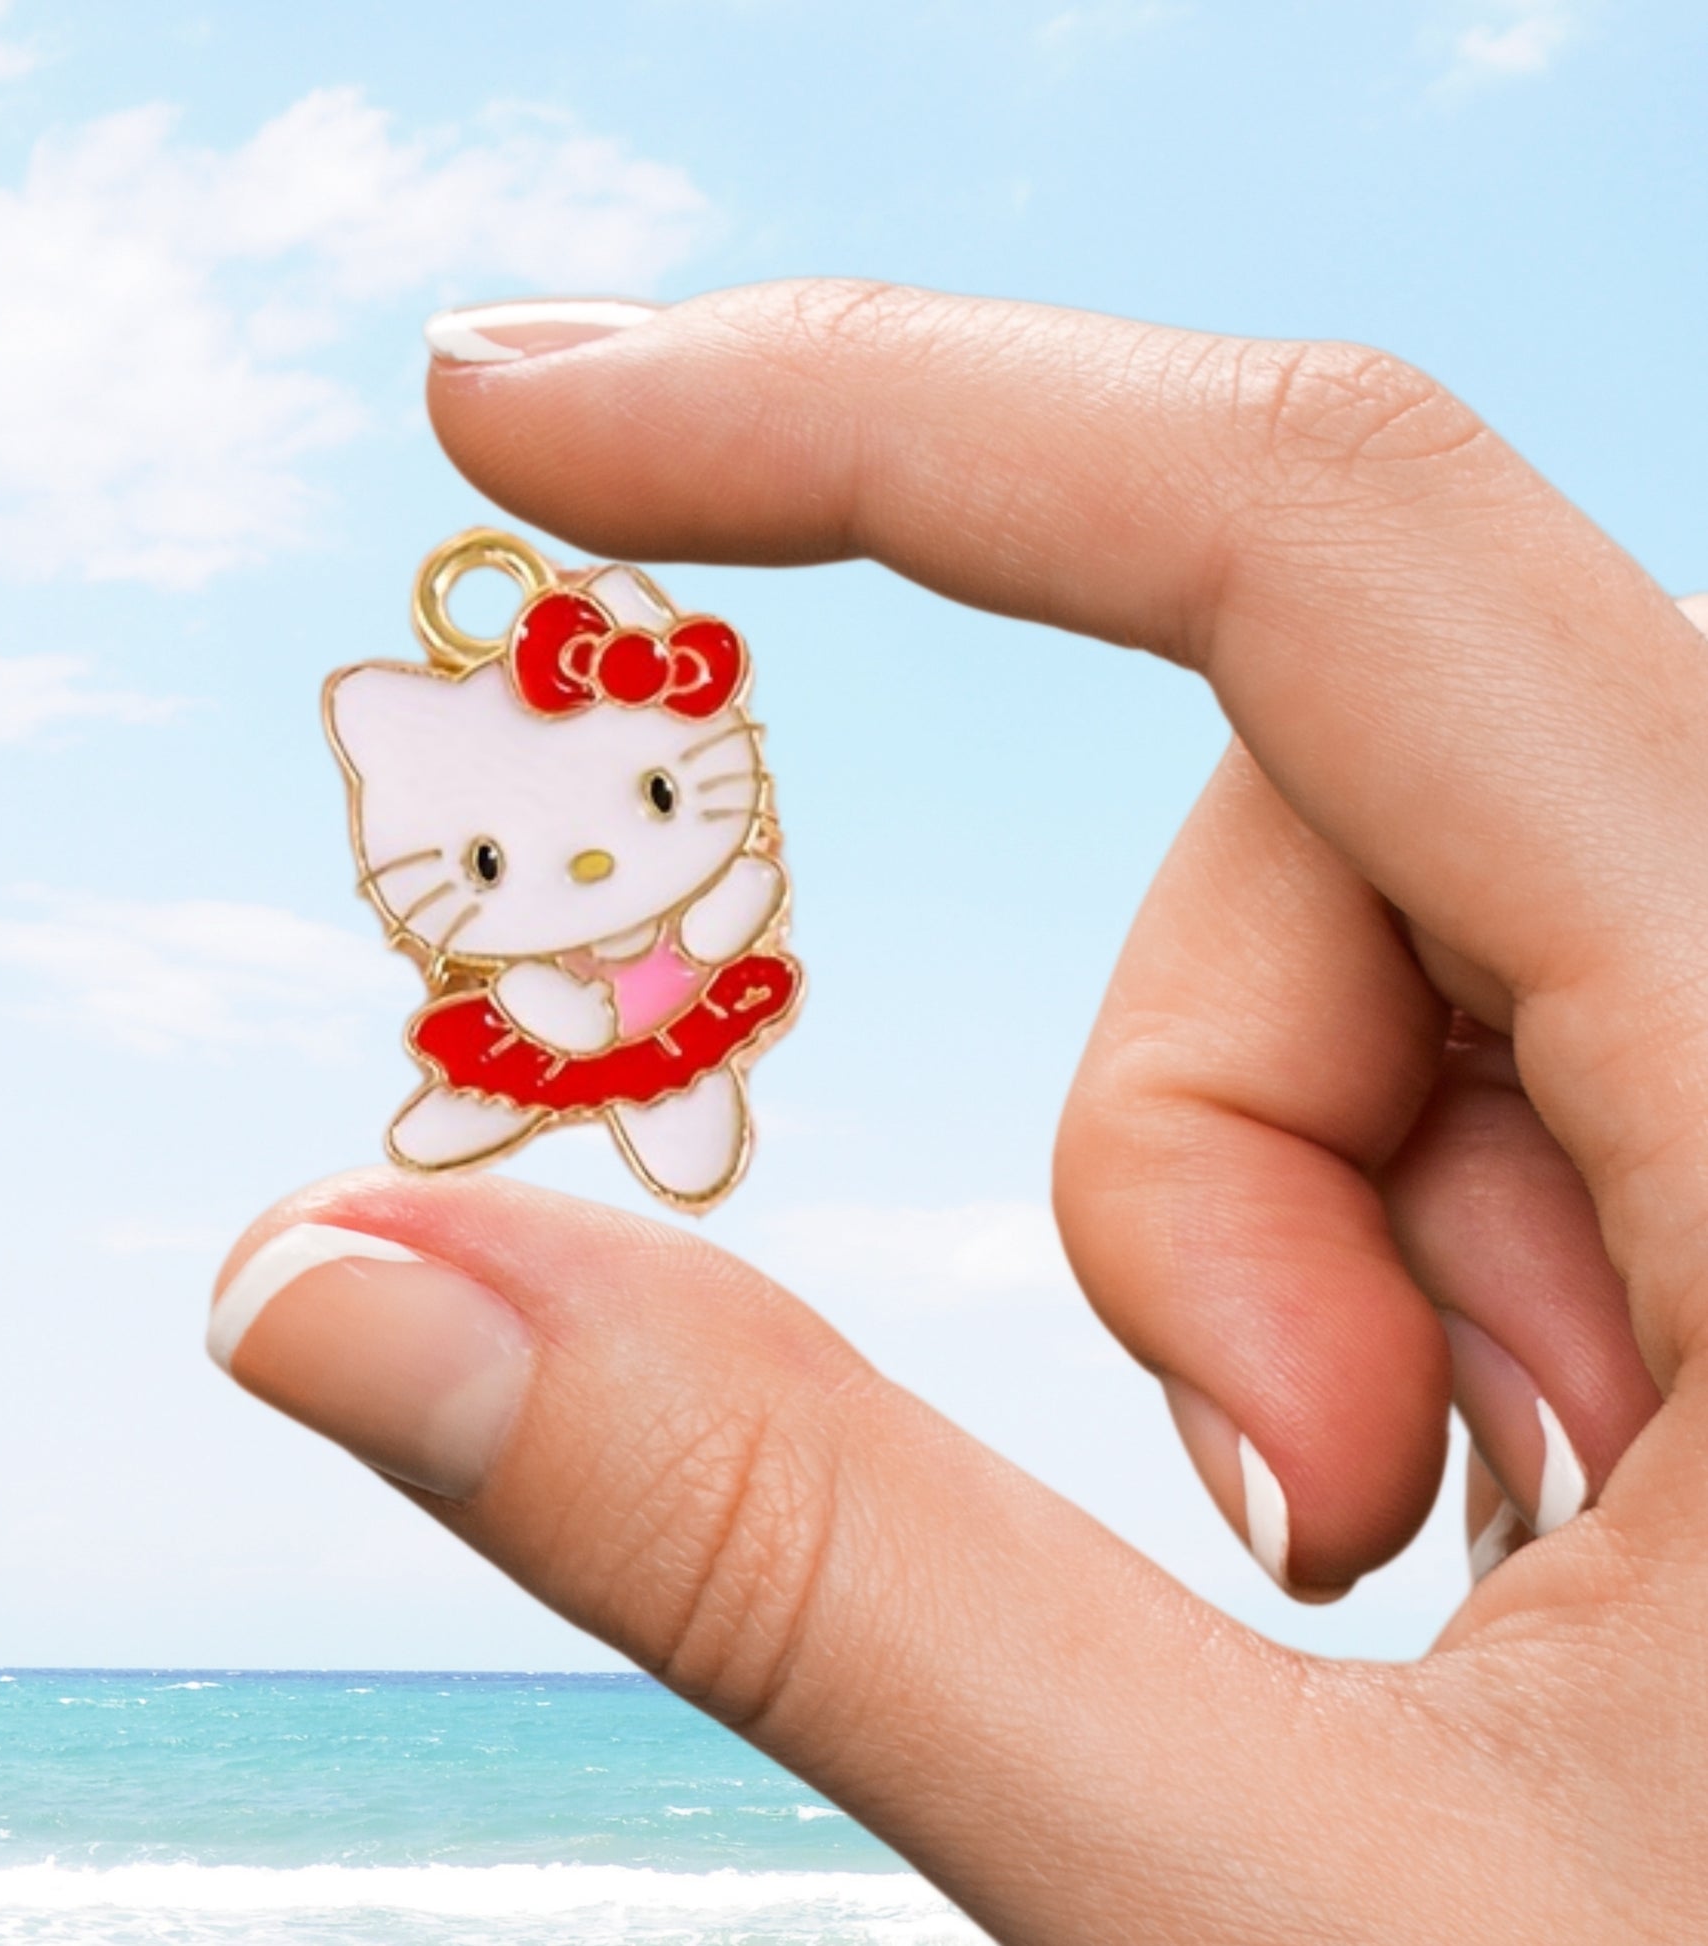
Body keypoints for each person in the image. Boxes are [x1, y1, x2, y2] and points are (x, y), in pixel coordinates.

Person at [205, 282, 1708, 1942]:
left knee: (669, 1080)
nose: (567, 865)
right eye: (490, 862)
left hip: (674, 1017)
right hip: (575, 1031)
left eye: (636, 800)